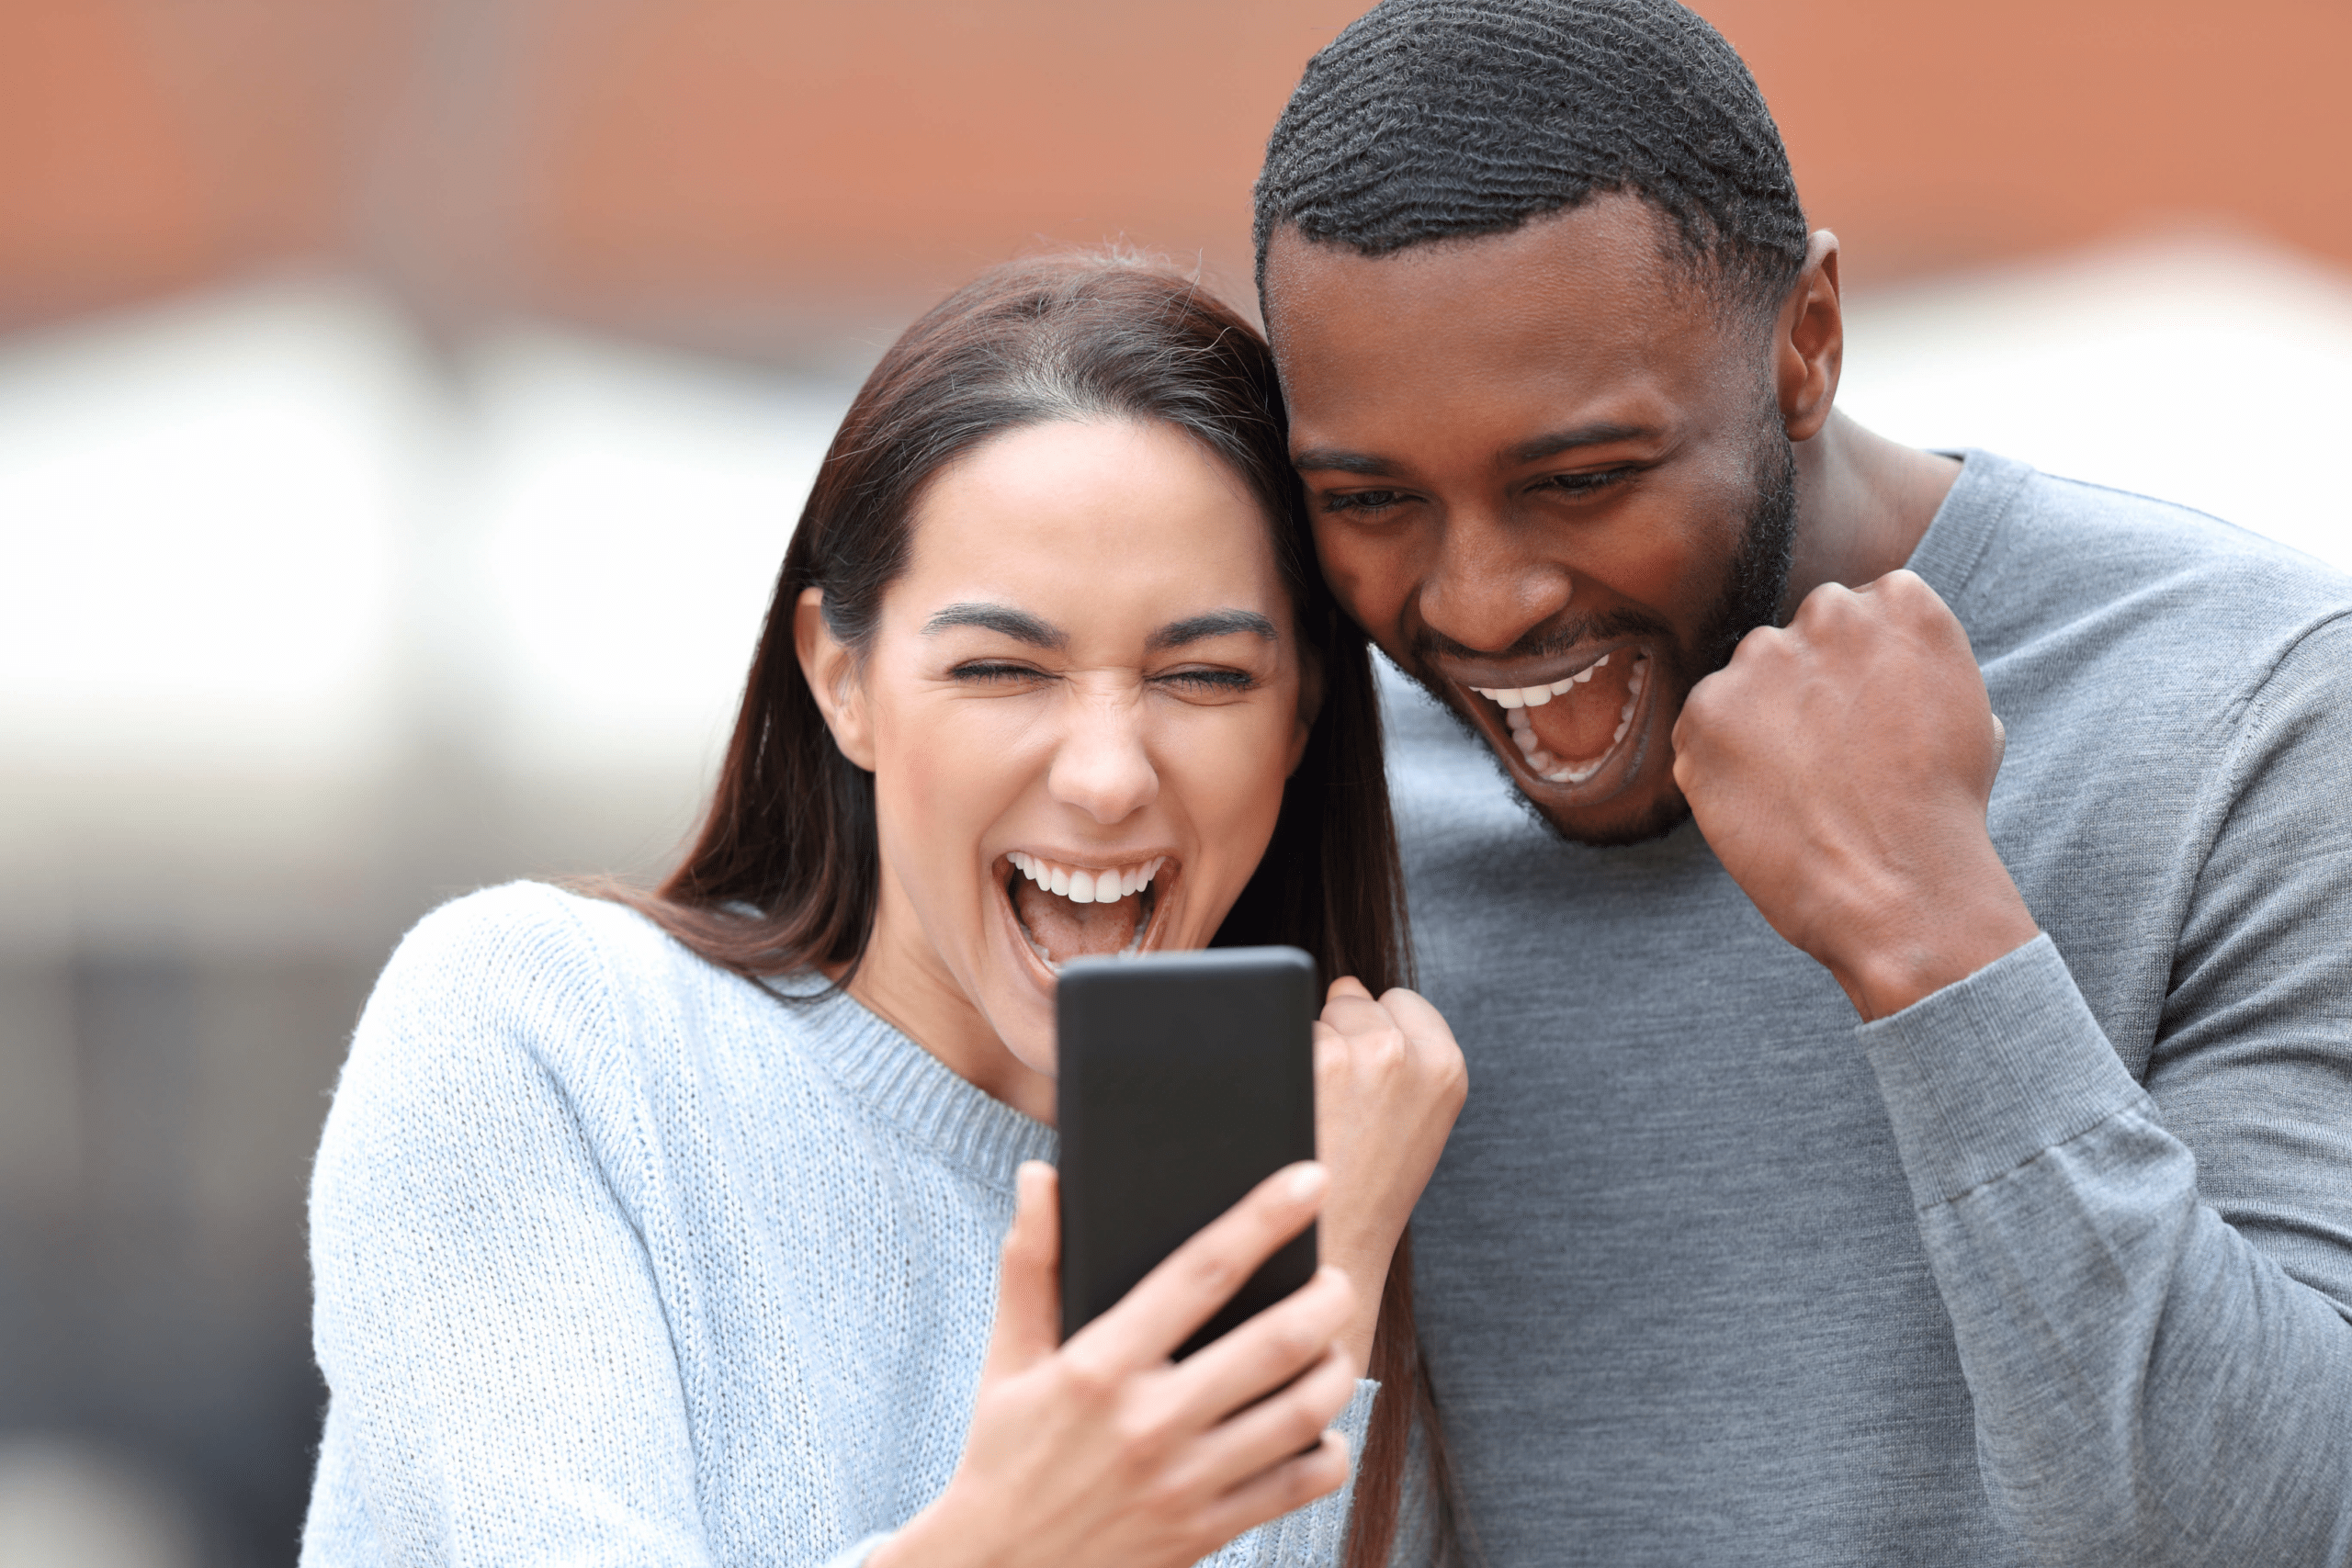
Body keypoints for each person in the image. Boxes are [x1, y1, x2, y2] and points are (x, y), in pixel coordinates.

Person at [1249, 1, 2352, 1562]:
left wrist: (1931, 929)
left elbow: (2268, 1529)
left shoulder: (2252, 708)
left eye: (1583, 480)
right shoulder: (1301, 766)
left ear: (1808, 340)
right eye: (1371, 500)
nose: (1481, 603)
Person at [300, 256, 1469, 1568]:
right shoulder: (546, 1034)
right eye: (999, 667)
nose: (1104, 773)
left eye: (1202, 673)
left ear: (1301, 712)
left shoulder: (1358, 1171)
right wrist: (1017, 1544)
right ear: (841, 678)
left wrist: (1325, 1279)